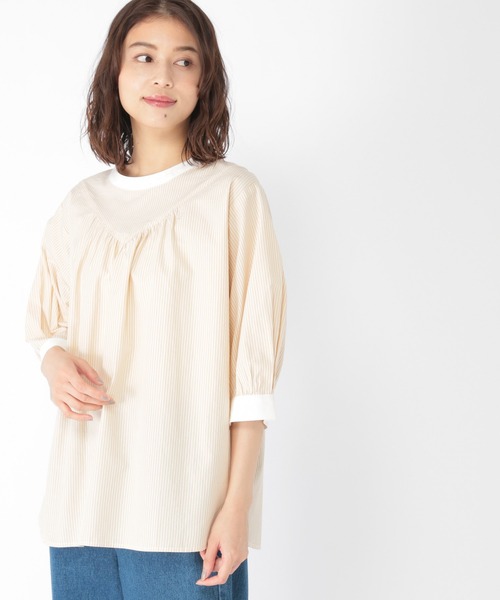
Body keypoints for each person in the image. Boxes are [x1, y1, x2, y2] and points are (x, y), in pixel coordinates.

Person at [24, 0, 287, 598]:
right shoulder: (80, 205)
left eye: (184, 61)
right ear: (116, 74)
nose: (163, 76)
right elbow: (45, 324)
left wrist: (236, 507)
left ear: (204, 80)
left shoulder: (232, 196)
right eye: (144, 57)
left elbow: (251, 374)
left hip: (183, 511)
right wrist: (53, 361)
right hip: (80, 505)